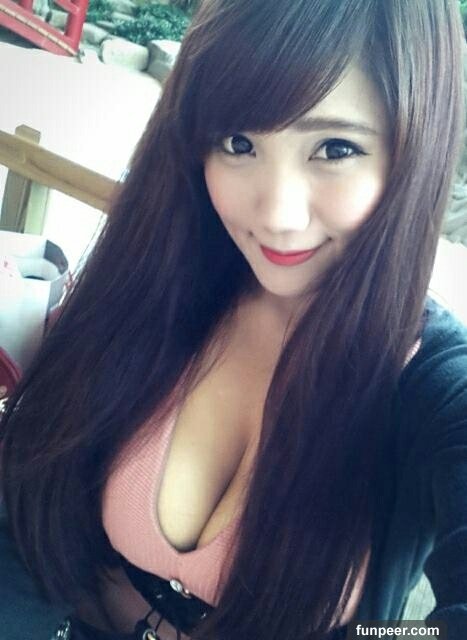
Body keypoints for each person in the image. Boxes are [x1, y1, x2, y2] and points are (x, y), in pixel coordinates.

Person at [1, 0, 466, 638]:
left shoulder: (435, 383)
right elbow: (26, 514)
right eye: (239, 143)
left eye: (335, 148)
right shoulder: (164, 275)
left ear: (415, 152)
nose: (276, 215)